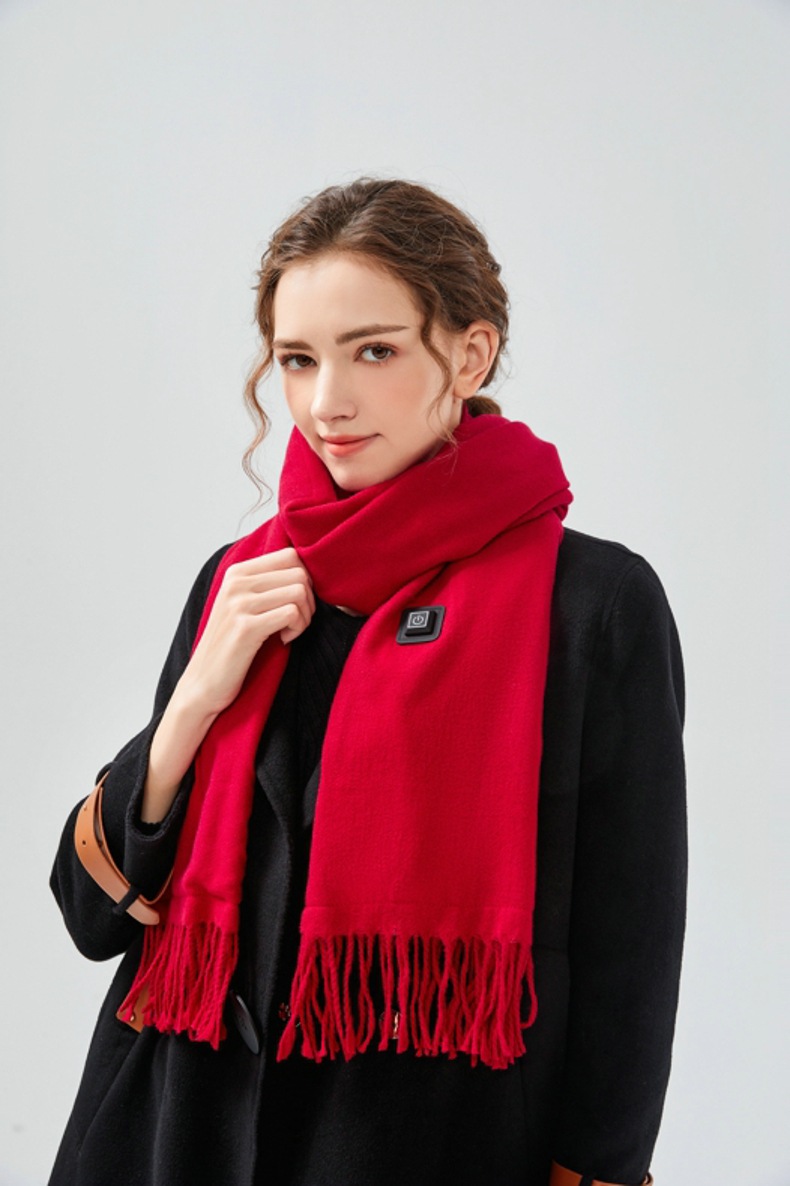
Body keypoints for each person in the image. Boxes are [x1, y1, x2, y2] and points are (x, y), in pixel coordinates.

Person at [48, 177, 687, 1186]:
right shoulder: (240, 582)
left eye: (374, 351)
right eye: (297, 359)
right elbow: (91, 919)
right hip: (174, 1134)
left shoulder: (591, 605)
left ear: (469, 354)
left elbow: (630, 955)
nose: (325, 403)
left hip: (427, 1144)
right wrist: (194, 701)